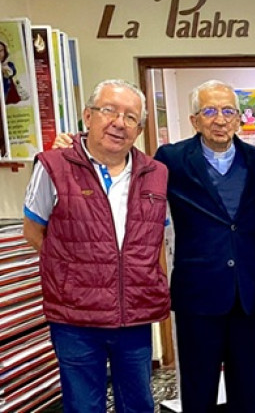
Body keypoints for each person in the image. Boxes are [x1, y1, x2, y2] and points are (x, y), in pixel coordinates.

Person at [22, 79, 168, 411]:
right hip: (75, 317)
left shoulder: (156, 173)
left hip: (134, 313)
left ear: (140, 128)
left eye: (131, 117)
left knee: (139, 403)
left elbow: (157, 237)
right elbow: (33, 232)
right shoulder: (53, 166)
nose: (119, 122)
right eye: (109, 111)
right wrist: (70, 275)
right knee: (84, 405)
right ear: (88, 116)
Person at [155, 80, 255, 411]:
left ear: (238, 118)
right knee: (198, 386)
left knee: (247, 385)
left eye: (227, 111)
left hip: (248, 294)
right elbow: (126, 173)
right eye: (209, 111)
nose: (219, 119)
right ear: (194, 120)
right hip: (198, 295)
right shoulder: (172, 160)